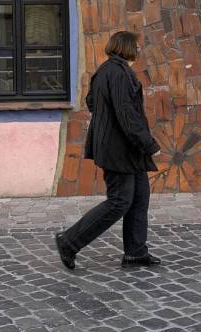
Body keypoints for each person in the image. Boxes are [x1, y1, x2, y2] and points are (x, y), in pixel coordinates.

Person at [55, 30, 161, 270]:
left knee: (139, 197)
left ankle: (135, 252)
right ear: (126, 47)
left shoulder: (105, 70)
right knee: (119, 201)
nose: (139, 49)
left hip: (125, 149)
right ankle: (68, 242)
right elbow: (127, 114)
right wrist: (148, 143)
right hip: (120, 150)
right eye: (136, 45)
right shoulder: (120, 73)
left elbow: (91, 102)